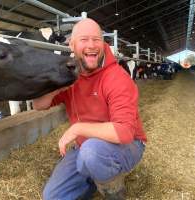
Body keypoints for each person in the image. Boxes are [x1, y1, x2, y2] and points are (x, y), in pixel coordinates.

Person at [33, 18, 147, 200]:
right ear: (72, 45)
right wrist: (58, 86)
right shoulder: (72, 75)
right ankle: (93, 180)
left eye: (96, 39)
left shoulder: (117, 78)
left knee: (92, 152)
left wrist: (78, 128)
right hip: (85, 147)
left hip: (128, 144)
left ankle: (114, 192)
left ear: (103, 43)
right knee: (53, 196)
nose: (92, 45)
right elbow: (39, 105)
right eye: (84, 40)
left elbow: (125, 132)